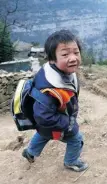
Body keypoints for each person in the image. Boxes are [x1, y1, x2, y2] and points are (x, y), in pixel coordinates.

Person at [22, 29, 88, 172]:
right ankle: (71, 161)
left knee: (42, 135)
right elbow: (43, 116)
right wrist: (69, 124)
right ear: (52, 59)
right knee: (76, 138)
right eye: (65, 54)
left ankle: (30, 152)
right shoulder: (49, 88)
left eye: (76, 52)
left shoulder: (59, 73)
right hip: (54, 124)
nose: (72, 58)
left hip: (46, 127)